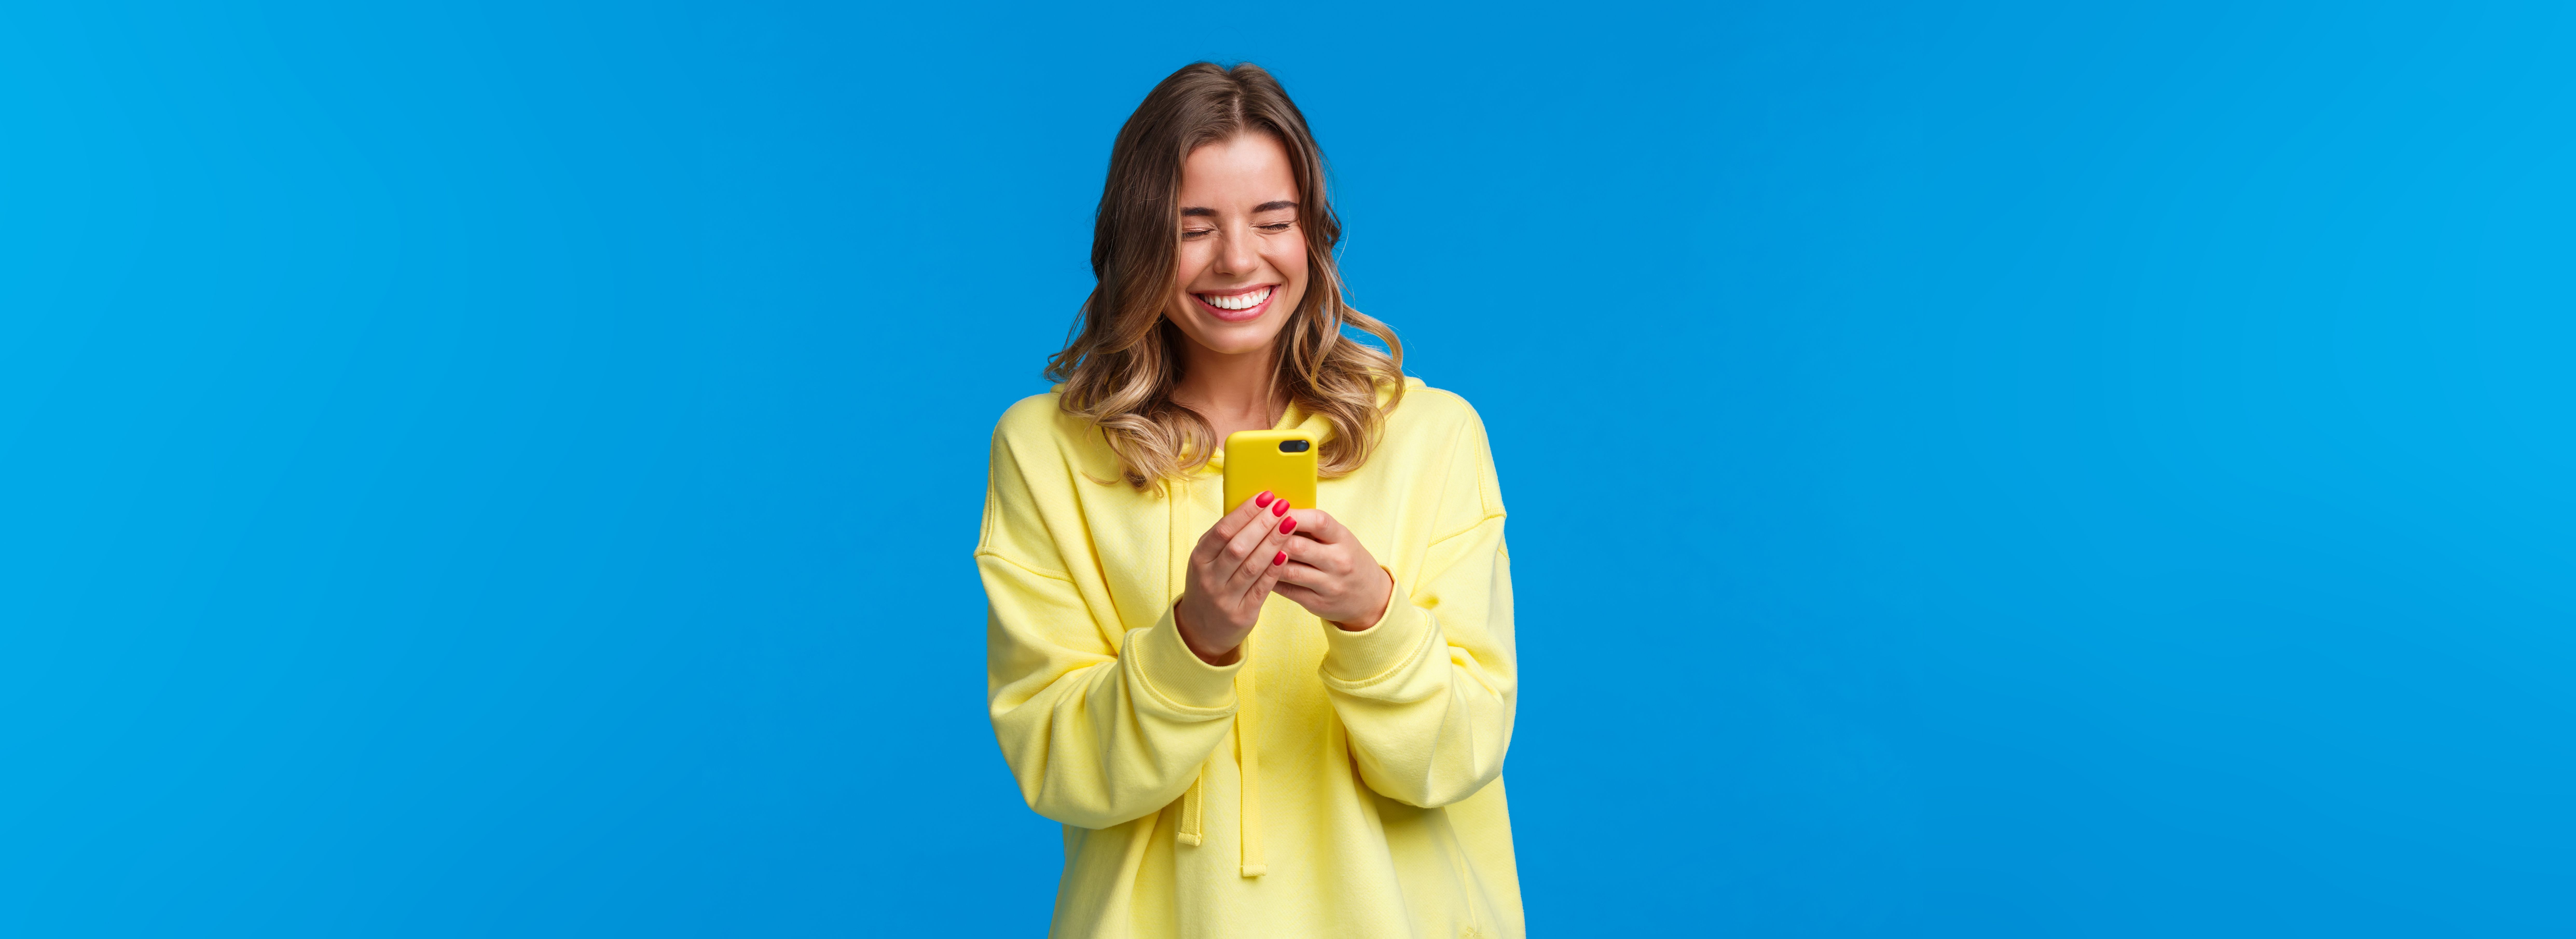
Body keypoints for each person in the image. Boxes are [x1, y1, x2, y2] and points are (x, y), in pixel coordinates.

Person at [976, 61, 1519, 939]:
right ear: (1137, 241)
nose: (1238, 259)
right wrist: (1192, 641)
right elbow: (1060, 767)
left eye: (1273, 221)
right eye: (1193, 228)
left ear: (1314, 236)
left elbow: (1458, 757)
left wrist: (1370, 616)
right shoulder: (1046, 451)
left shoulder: (1434, 435)